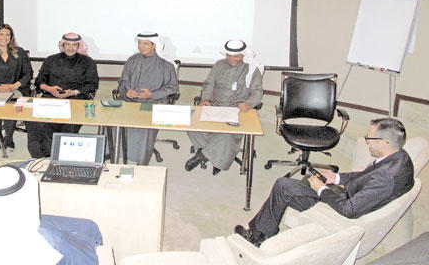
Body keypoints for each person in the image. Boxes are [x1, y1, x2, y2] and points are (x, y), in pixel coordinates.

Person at [234, 118, 415, 247]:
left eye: (370, 138)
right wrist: (337, 178)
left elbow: (349, 210)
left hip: (343, 209)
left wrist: (322, 190)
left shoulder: (386, 177)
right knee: (308, 180)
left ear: (384, 142)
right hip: (351, 195)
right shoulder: (400, 158)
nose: (366, 141)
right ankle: (261, 228)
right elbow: (366, 177)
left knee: (283, 185)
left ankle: (258, 236)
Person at [0, 165, 103, 265]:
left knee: (85, 226)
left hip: (7, 230)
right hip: (52, 246)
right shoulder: (44, 241)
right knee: (89, 229)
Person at [185, 39, 263, 175]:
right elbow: (209, 84)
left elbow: (257, 92)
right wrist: (206, 99)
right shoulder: (219, 65)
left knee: (226, 135)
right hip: (215, 106)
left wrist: (248, 104)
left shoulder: (251, 69)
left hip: (236, 110)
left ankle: (203, 155)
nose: (232, 59)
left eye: (236, 56)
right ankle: (216, 155)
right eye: (229, 55)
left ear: (243, 55)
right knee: (191, 124)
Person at [28, 33, 99, 157]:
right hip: (51, 98)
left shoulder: (88, 62)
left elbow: (92, 84)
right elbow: (39, 81)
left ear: (79, 46)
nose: (70, 48)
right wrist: (50, 89)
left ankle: (61, 156)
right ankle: (43, 156)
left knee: (68, 124)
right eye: (68, 44)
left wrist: (72, 92)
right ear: (62, 45)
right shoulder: (51, 60)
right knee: (38, 123)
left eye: (74, 45)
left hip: (75, 99)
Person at [117, 32, 179, 165]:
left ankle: (141, 161)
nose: (141, 46)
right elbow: (123, 81)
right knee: (112, 121)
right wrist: (127, 91)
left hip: (153, 103)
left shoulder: (166, 65)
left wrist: (152, 94)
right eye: (139, 43)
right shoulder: (131, 61)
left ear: (154, 45)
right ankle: (114, 154)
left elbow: (173, 88)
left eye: (145, 44)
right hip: (130, 101)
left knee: (143, 128)